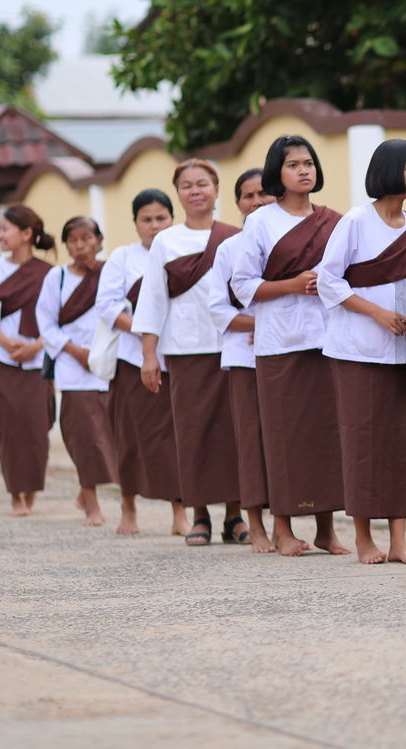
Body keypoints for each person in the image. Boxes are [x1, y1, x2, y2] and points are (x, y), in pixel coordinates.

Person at [231, 135, 349, 557]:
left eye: (309, 162)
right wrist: (293, 285)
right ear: (276, 173)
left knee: (325, 434)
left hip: (328, 340)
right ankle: (282, 527)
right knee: (282, 437)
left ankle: (326, 528)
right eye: (293, 164)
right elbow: (242, 285)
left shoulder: (334, 221)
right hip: (279, 343)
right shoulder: (261, 222)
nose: (304, 169)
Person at [317, 139, 406, 565]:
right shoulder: (356, 222)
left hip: (400, 352)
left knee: (401, 444)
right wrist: (379, 313)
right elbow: (328, 281)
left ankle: (399, 540)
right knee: (361, 441)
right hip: (356, 349)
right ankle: (363, 537)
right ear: (386, 172)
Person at [133, 159, 245, 546]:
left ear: (216, 189)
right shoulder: (166, 240)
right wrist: (150, 355)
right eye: (186, 185)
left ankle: (235, 515)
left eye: (203, 183)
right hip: (184, 350)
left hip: (231, 348)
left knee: (234, 432)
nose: (195, 191)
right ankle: (199, 515)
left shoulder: (234, 237)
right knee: (192, 433)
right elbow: (152, 301)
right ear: (178, 194)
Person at [96, 189, 187, 536]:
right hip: (132, 361)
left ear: (172, 218)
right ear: (135, 223)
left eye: (161, 218)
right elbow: (106, 305)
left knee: (174, 438)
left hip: (177, 358)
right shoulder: (122, 257)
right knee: (130, 437)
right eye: (146, 220)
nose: (154, 226)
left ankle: (180, 511)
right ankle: (128, 507)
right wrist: (144, 329)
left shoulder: (182, 251)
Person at [0, 205, 56, 517]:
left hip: (35, 363)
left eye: (6, 230)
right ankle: (15, 494)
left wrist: (35, 346)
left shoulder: (48, 273)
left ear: (27, 234)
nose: (0, 236)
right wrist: (5, 342)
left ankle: (31, 489)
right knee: (3, 428)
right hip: (0, 360)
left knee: (35, 429)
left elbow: (57, 318)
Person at [208, 168, 277, 552]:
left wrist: (274, 325)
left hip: (289, 354)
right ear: (237, 204)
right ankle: (256, 526)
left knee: (288, 439)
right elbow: (218, 309)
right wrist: (262, 322)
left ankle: (299, 523)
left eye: (264, 193)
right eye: (248, 196)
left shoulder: (288, 241)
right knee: (251, 440)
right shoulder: (229, 250)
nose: (257, 201)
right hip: (244, 358)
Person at [37, 217, 117, 526]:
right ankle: (92, 502)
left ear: (99, 240)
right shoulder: (56, 277)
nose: (80, 246)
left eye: (86, 239)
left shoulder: (111, 273)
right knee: (84, 438)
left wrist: (98, 351)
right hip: (73, 367)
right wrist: (75, 351)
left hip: (108, 363)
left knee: (109, 435)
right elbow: (45, 323)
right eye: (73, 240)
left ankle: (88, 494)